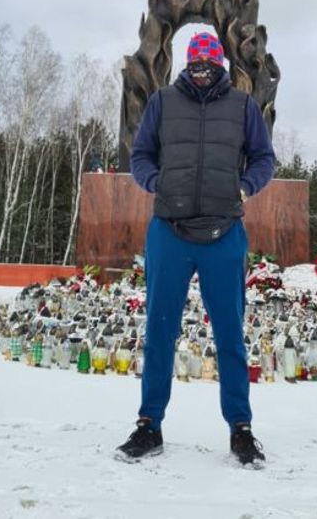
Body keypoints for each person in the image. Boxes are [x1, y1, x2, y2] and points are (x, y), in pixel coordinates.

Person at [118, 31, 276, 466]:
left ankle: (240, 429)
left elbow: (264, 159)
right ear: (187, 65)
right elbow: (141, 156)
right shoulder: (163, 102)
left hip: (224, 234)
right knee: (159, 331)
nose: (203, 71)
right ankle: (149, 424)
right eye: (197, 63)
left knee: (229, 334)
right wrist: (156, 183)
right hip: (169, 232)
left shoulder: (243, 106)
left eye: (211, 63)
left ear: (221, 65)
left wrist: (244, 188)